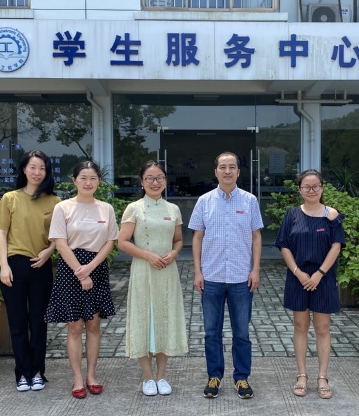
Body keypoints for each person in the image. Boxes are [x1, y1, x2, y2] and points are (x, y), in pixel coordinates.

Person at [189, 151, 263, 399]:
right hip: (211, 277)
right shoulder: (204, 201)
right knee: (212, 332)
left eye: (232, 167)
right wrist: (197, 272)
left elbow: (256, 236)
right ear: (216, 172)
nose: (227, 171)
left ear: (239, 172)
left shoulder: (250, 201)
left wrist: (255, 269)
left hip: (241, 278)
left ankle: (241, 378)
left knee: (241, 333)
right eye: (223, 167)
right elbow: (197, 237)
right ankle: (214, 376)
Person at [44, 161, 119, 399]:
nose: (88, 182)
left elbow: (110, 242)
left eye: (93, 178)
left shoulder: (106, 208)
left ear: (99, 181)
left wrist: (90, 268)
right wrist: (80, 271)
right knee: (75, 325)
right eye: (83, 178)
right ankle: (77, 378)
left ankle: (92, 375)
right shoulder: (63, 207)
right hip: (70, 268)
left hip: (96, 267)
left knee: (94, 324)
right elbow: (60, 242)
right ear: (74, 180)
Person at [0, 150, 61, 392]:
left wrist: (49, 251)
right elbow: (1, 233)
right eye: (33, 167)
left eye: (42, 168)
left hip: (41, 265)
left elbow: (59, 236)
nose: (37, 172)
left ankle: (38, 371)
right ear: (24, 169)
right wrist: (3, 266)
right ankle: (22, 373)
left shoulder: (54, 202)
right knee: (18, 323)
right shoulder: (10, 198)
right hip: (14, 266)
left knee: (39, 323)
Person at [118, 160, 188, 397]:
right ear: (142, 182)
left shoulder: (173, 209)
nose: (155, 182)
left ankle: (162, 376)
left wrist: (174, 253)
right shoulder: (134, 208)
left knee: (164, 318)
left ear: (165, 181)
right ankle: (147, 377)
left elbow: (178, 240)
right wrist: (148, 255)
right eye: (149, 178)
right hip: (143, 269)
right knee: (144, 319)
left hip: (167, 271)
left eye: (159, 177)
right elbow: (122, 242)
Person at [275, 170, 345, 399]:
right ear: (300, 190)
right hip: (298, 279)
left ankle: (322, 377)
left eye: (315, 186)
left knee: (322, 328)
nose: (311, 190)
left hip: (323, 279)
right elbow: (284, 245)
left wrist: (319, 274)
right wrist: (298, 272)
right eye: (306, 187)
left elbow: (336, 246)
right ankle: (302, 375)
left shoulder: (331, 216)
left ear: (322, 188)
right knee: (300, 326)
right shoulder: (292, 215)